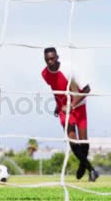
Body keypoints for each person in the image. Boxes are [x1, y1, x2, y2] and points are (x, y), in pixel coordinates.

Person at [41, 47, 99, 181]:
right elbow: (56, 89)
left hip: (79, 106)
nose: (50, 62)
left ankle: (84, 166)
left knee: (84, 143)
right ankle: (91, 170)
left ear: (57, 57)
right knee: (72, 140)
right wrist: (58, 105)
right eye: (47, 59)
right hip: (64, 110)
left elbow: (87, 88)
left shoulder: (68, 69)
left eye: (52, 58)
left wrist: (72, 105)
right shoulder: (44, 74)